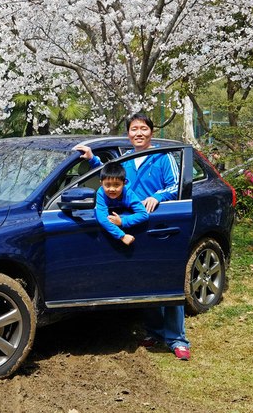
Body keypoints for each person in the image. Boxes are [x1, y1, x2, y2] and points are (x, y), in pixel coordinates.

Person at [75, 112, 189, 360]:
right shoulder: (126, 159)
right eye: (134, 129)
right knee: (144, 280)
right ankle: (155, 332)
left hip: (159, 225)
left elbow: (176, 185)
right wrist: (92, 158)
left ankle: (177, 339)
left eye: (143, 128)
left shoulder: (163, 157)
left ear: (151, 132)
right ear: (128, 134)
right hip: (134, 226)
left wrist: (157, 197)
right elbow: (109, 176)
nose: (139, 133)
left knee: (168, 281)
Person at [95, 162, 149, 245]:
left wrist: (122, 221)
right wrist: (121, 236)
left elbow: (143, 214)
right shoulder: (101, 193)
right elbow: (102, 218)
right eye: (107, 185)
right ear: (101, 183)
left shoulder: (129, 194)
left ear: (124, 183)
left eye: (116, 185)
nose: (112, 189)